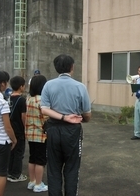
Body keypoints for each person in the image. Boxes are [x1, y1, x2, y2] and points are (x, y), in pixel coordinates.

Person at [41, 54, 91, 196]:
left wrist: (62, 117)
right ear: (72, 67)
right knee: (72, 169)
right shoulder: (80, 86)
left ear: (56, 68)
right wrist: (81, 119)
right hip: (72, 131)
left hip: (53, 129)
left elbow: (44, 109)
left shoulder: (48, 85)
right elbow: (87, 114)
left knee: (53, 169)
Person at [25, 75, 48, 192]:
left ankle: (32, 181)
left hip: (30, 133)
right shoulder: (42, 100)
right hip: (40, 134)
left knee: (32, 158)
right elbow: (46, 117)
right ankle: (39, 184)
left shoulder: (29, 98)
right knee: (40, 160)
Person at [7, 76, 27, 183]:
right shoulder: (21, 100)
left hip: (9, 129)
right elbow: (23, 117)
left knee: (11, 151)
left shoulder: (8, 98)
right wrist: (25, 128)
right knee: (19, 152)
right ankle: (16, 174)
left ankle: (9, 171)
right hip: (19, 130)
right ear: (21, 87)